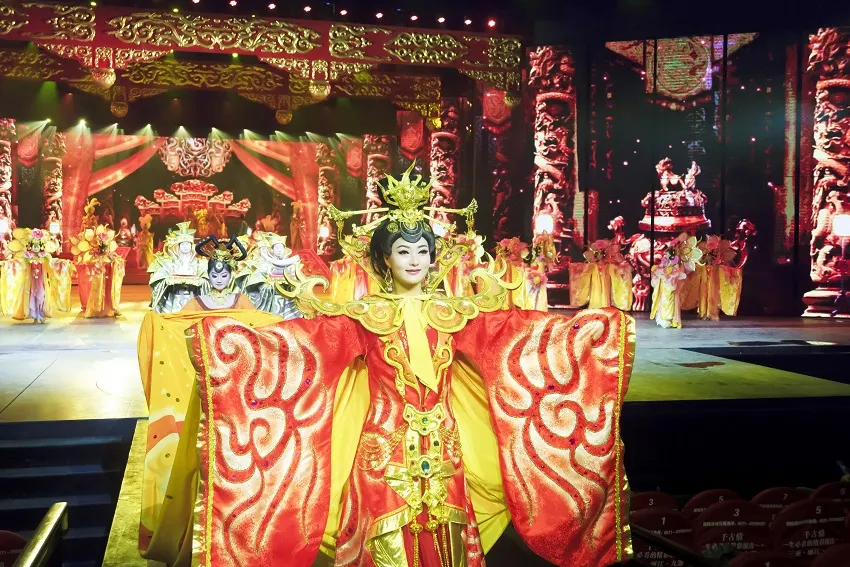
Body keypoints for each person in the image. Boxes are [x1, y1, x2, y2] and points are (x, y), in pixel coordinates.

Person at [142, 166, 635, 567]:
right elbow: (301, 348)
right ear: (384, 259)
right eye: (403, 250)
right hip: (382, 451)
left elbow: (521, 338)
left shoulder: (454, 313)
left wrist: (595, 333)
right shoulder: (365, 316)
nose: (415, 259)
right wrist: (230, 344)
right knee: (385, 538)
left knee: (447, 532)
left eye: (422, 250)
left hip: (445, 446)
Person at [234, 231, 301, 319]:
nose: (279, 250)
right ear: (271, 249)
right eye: (277, 248)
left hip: (287, 295)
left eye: (281, 248)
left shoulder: (289, 264)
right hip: (269, 293)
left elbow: (295, 278)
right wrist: (267, 285)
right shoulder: (263, 264)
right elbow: (256, 278)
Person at [181, 235, 254, 312]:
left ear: (231, 274)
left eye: (224, 276)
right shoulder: (195, 303)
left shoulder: (242, 301)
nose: (219, 280)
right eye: (214, 276)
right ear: (208, 274)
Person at [147, 222, 208, 313]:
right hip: (174, 298)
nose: (185, 247)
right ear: (178, 247)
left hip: (193, 298)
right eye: (182, 244)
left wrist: (200, 281)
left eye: (187, 244)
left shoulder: (200, 263)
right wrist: (167, 281)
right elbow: (157, 278)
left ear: (192, 246)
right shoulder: (169, 263)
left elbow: (207, 280)